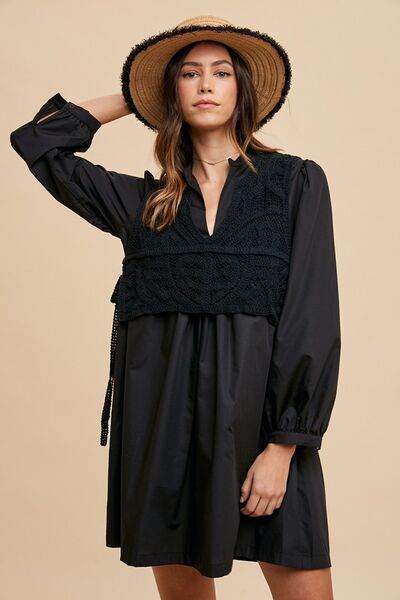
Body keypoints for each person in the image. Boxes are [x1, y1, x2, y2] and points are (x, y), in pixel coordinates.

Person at [10, 15, 341, 600]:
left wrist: (285, 445)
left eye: (221, 72)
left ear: (242, 89)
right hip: (165, 433)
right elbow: (38, 142)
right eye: (189, 74)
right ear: (172, 93)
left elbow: (311, 316)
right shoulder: (144, 203)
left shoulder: (294, 184)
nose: (206, 84)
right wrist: (137, 96)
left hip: (264, 432)